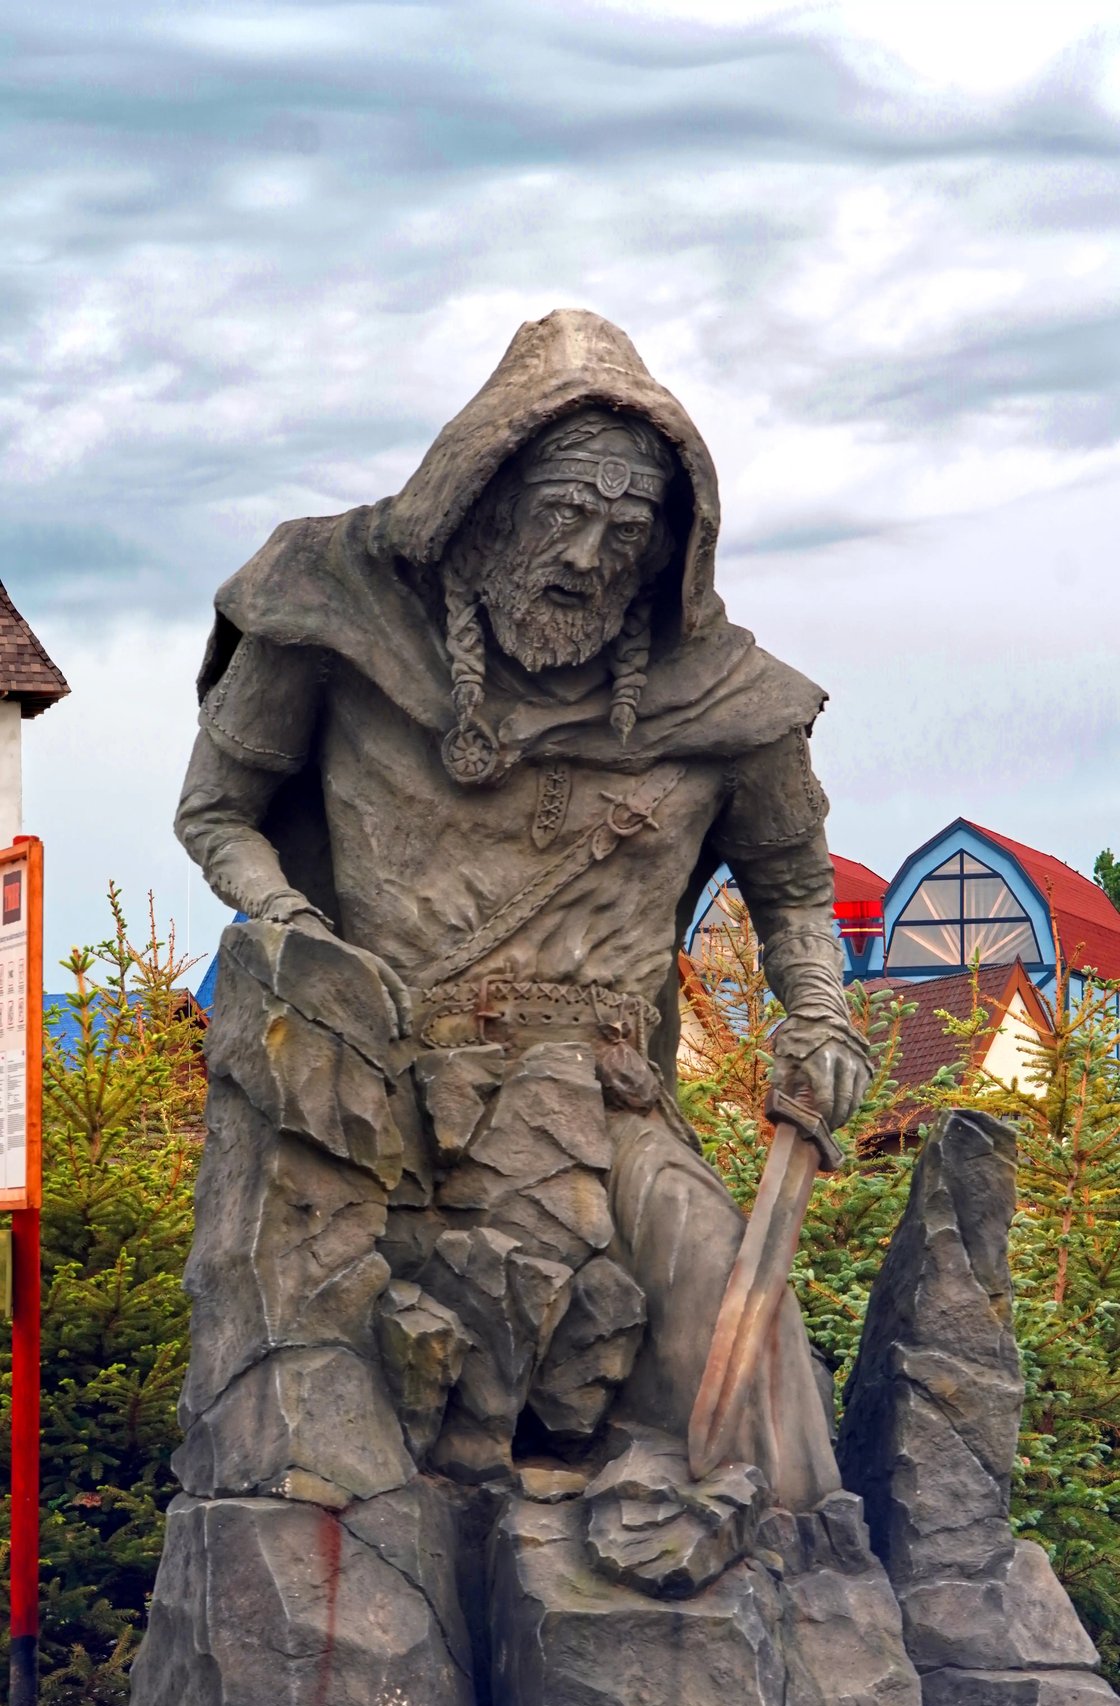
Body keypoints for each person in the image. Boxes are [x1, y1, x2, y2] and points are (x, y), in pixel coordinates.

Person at [176, 307, 872, 1548]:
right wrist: (289, 923)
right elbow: (219, 813)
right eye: (563, 510)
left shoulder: (727, 698)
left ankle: (786, 1647)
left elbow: (798, 893)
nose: (591, 554)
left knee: (743, 1356)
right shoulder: (329, 612)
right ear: (484, 501)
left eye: (629, 527)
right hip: (387, 1095)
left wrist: (819, 1018)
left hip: (608, 1103)